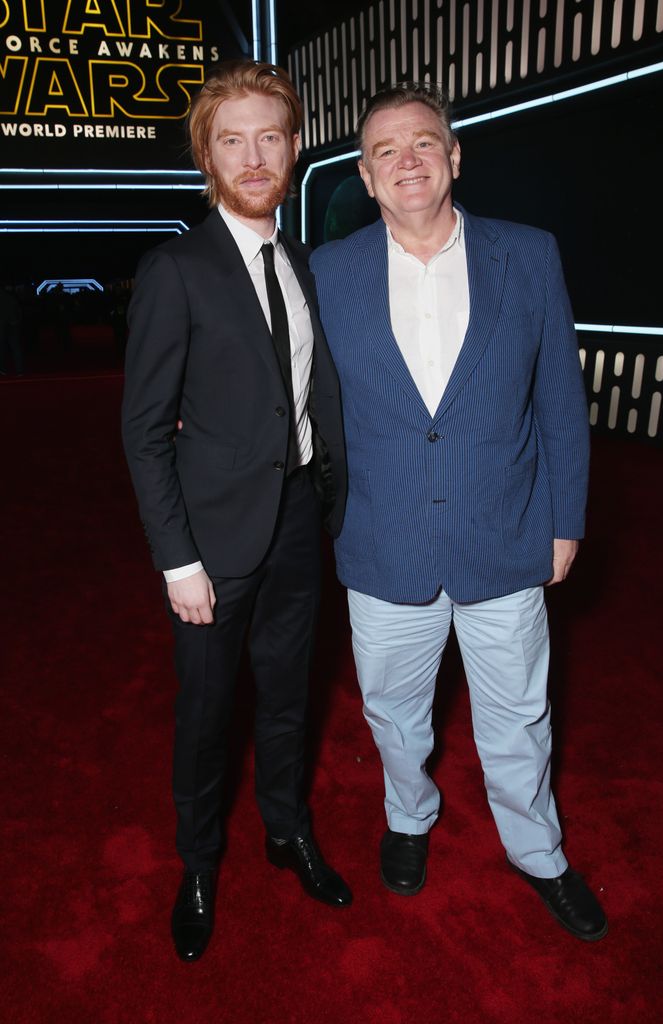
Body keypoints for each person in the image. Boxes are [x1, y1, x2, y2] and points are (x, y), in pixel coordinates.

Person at [310, 84, 607, 942]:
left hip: (506, 532)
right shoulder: (328, 273)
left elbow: (559, 399)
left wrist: (566, 520)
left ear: (455, 156)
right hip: (383, 539)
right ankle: (409, 816)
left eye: (424, 143)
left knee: (518, 712)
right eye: (386, 151)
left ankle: (539, 852)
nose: (408, 160)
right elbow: (291, 389)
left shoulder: (529, 254)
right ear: (365, 177)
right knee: (393, 712)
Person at [122, 59, 351, 964]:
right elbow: (143, 430)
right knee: (208, 710)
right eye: (232, 140)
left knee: (289, 697)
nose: (253, 157)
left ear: (294, 147)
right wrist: (177, 560)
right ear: (206, 155)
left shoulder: (303, 260)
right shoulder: (176, 268)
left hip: (300, 516)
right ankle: (200, 863)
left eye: (270, 136)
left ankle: (286, 830)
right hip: (214, 539)